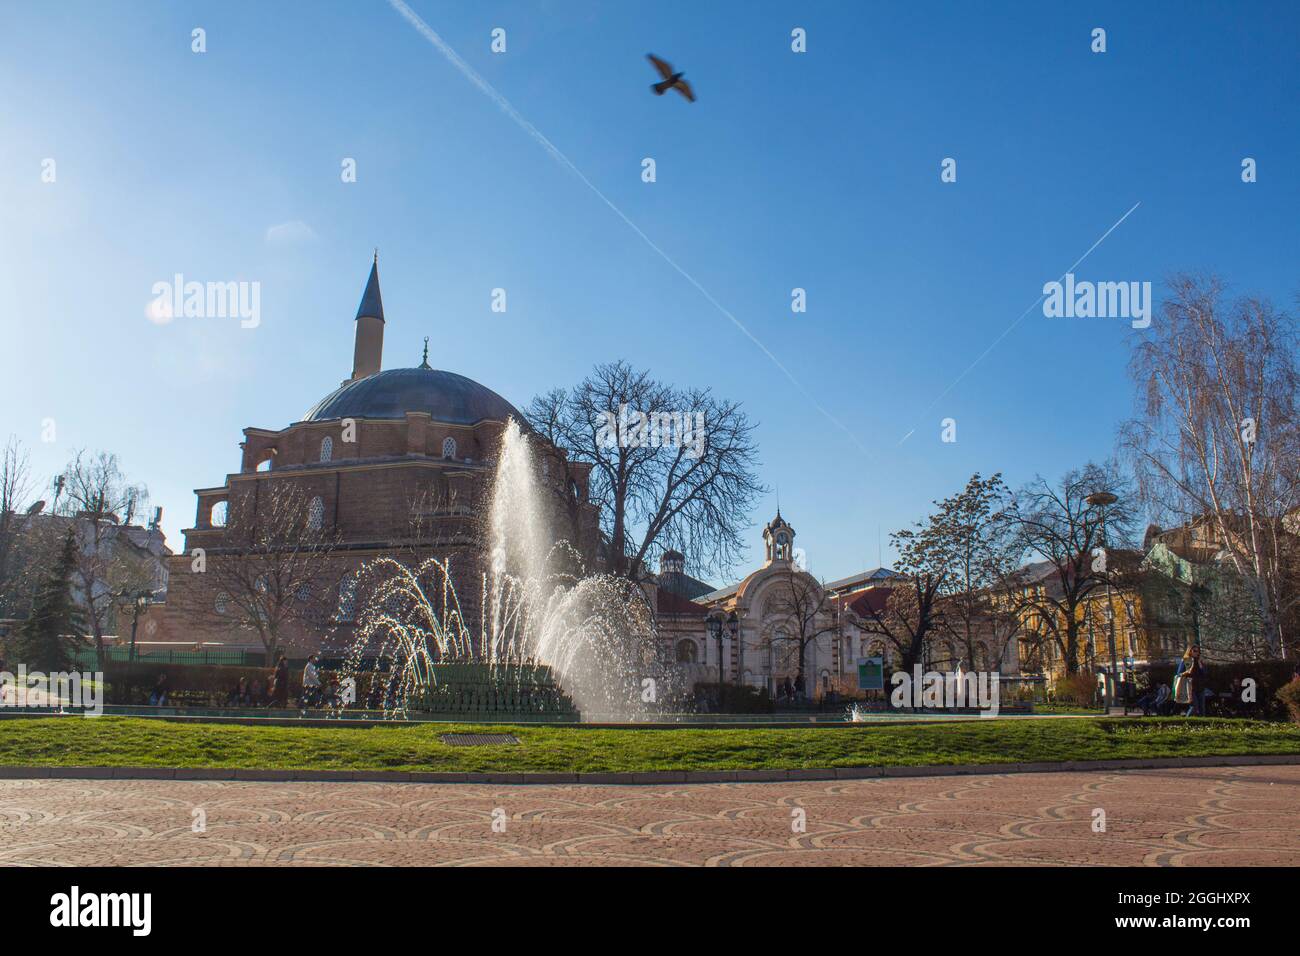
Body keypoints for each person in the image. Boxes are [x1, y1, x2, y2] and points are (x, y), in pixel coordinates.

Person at [1184, 644, 1206, 717]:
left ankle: (1203, 725)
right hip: (1191, 688)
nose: (1197, 653)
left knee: (1202, 708)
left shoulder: (1200, 661)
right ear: (1190, 652)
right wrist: (1192, 665)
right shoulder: (1187, 661)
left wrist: (1200, 664)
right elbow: (1180, 673)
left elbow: (1204, 673)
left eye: (1198, 651)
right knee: (1194, 706)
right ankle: (1185, 723)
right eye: (1195, 651)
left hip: (1200, 687)